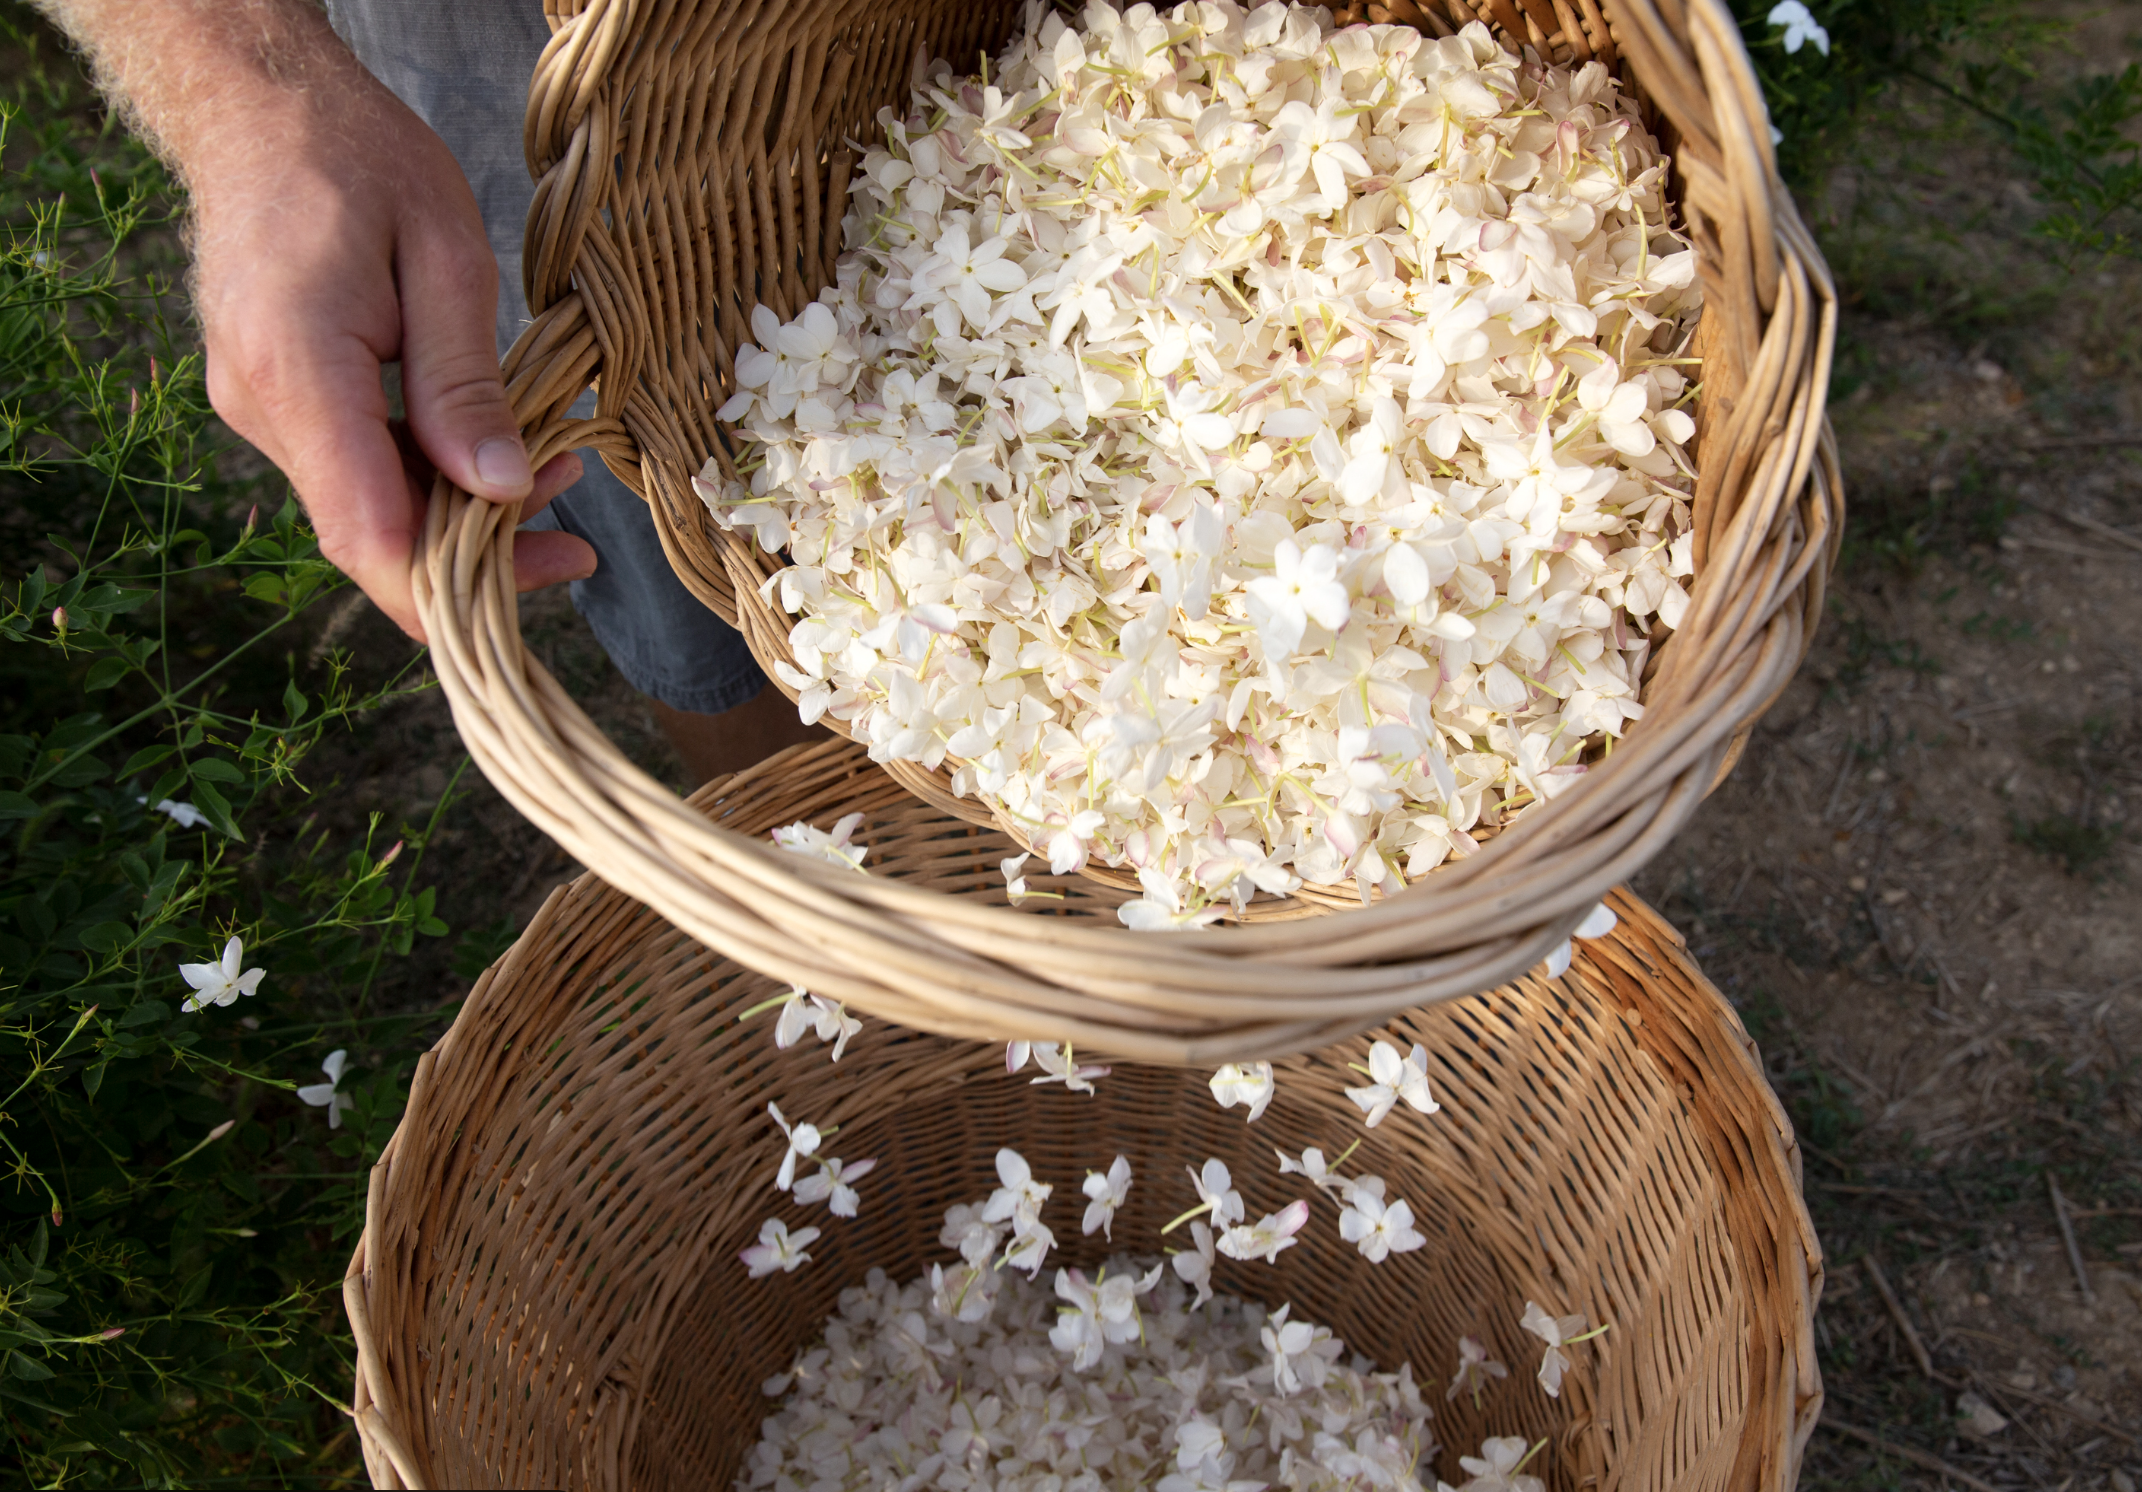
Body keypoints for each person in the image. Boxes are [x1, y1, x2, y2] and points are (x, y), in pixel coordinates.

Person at [38, 0, 819, 782]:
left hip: (854, 58)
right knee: (676, 562)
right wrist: (252, 89)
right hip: (504, 59)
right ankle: (808, 856)